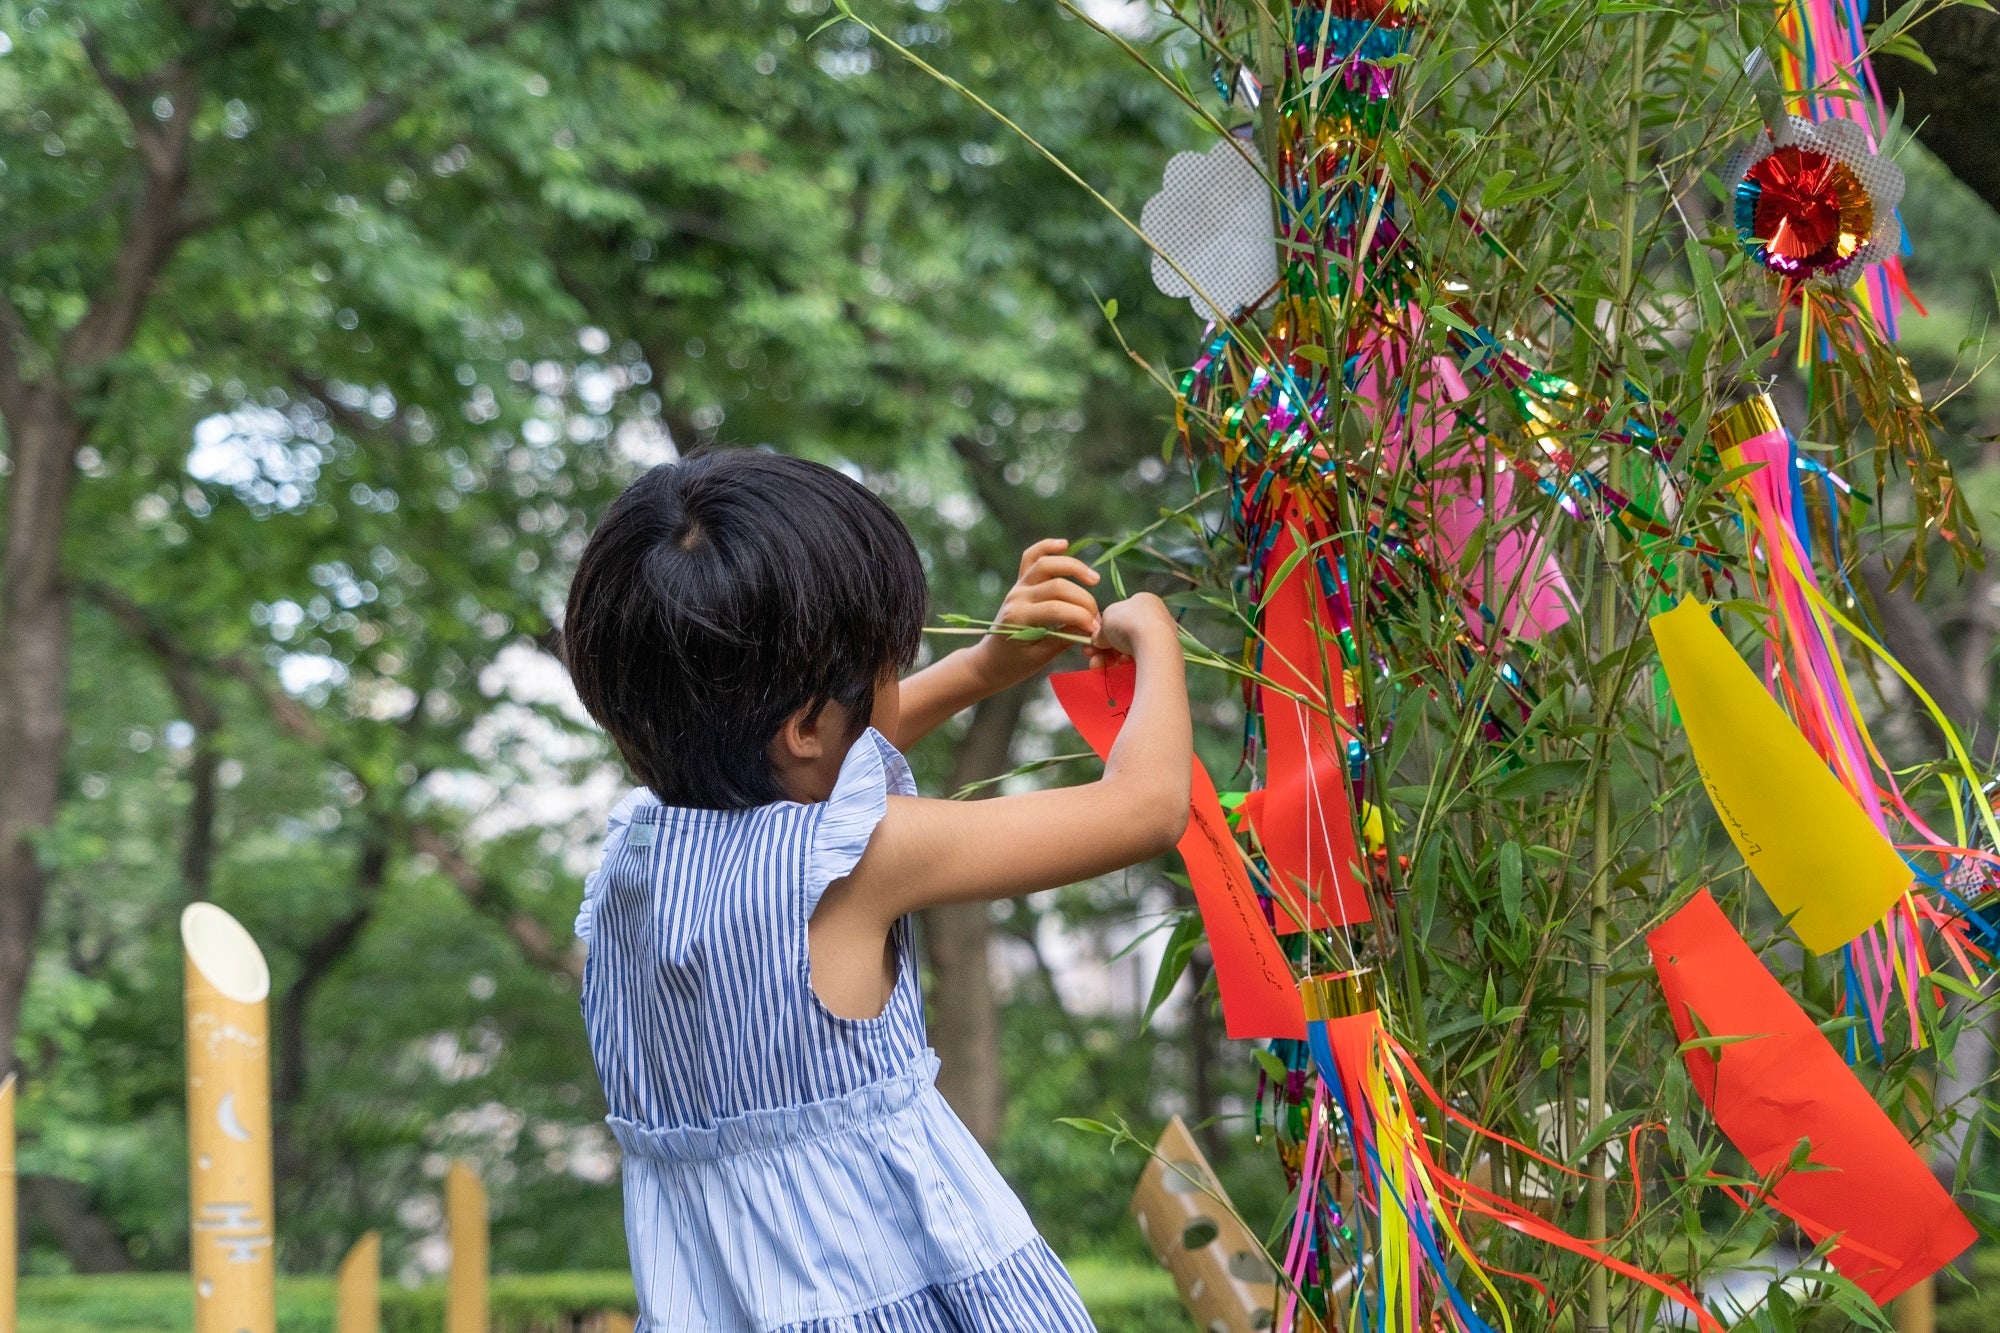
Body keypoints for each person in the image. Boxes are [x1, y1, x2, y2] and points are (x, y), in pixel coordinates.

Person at [562, 449, 1192, 1332]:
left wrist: (980, 670)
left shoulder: (632, 853)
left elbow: (814, 765)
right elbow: (1145, 809)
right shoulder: (861, 860)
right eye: (890, 666)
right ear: (810, 724)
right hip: (891, 1298)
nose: (898, 679)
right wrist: (1155, 635)